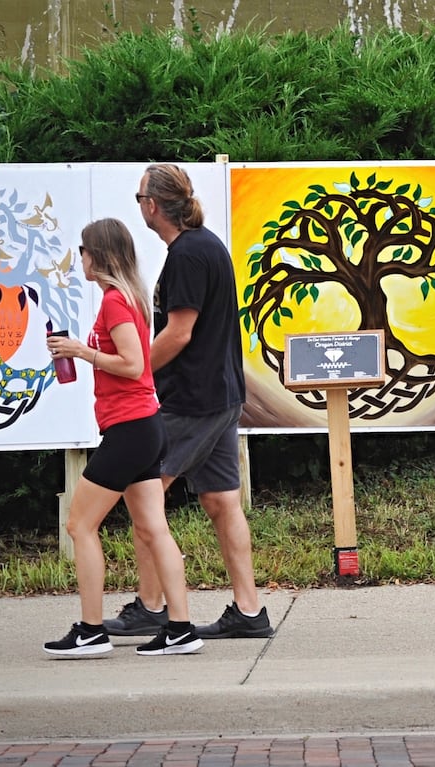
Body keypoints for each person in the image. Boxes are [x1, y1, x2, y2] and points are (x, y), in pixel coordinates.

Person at [103, 163, 274, 640]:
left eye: (140, 199)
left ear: (154, 206)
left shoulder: (187, 256)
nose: (139, 206)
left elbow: (178, 334)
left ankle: (153, 606)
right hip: (219, 395)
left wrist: (135, 372)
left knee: (145, 495)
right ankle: (249, 610)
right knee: (221, 500)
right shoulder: (206, 247)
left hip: (193, 399)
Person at [43, 218, 203, 657]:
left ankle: (92, 631)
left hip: (130, 428)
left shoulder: (117, 301)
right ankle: (181, 628)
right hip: (143, 426)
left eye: (83, 249)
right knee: (153, 527)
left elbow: (134, 365)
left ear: (98, 255)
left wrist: (82, 351)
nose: (80, 258)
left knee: (80, 525)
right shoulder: (130, 297)